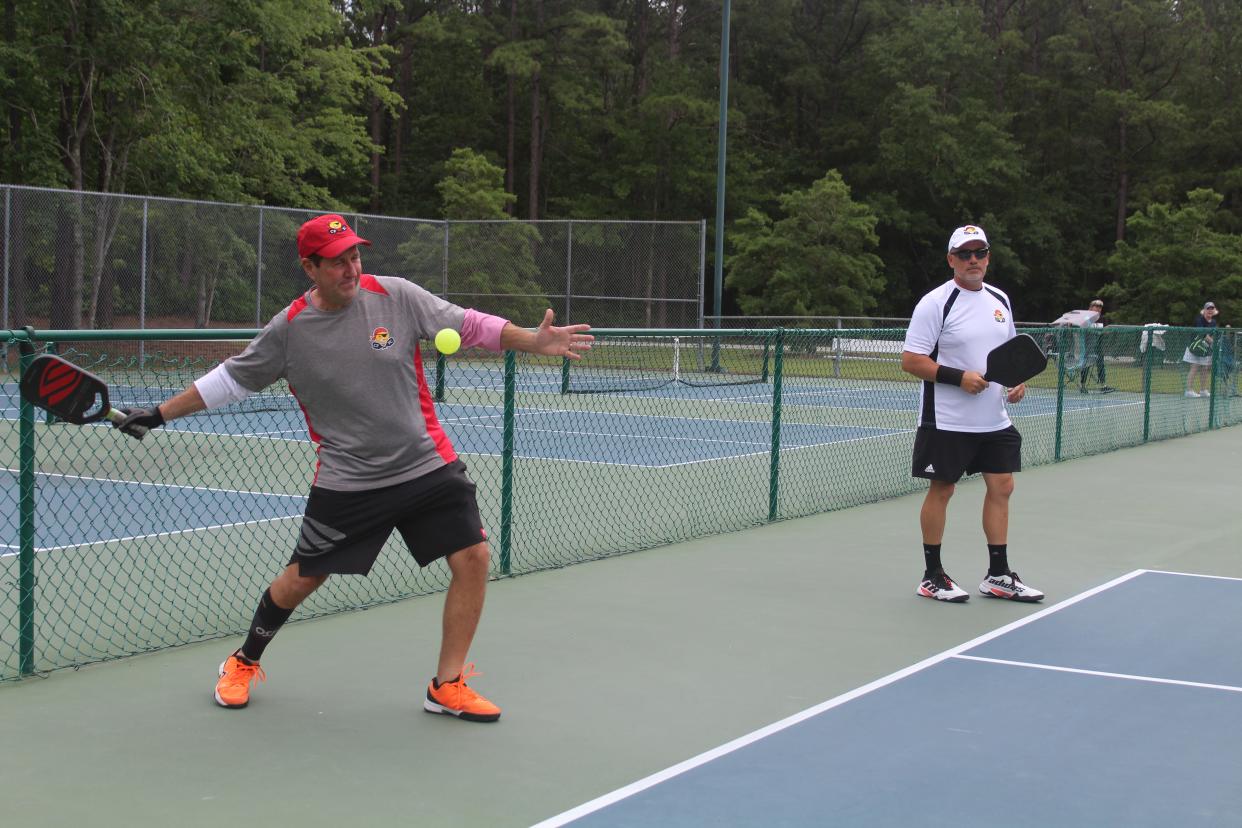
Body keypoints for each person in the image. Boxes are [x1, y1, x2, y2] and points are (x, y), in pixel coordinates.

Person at [112, 214, 593, 720]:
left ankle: (446, 684)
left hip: (425, 464)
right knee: (302, 579)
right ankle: (244, 660)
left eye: (354, 256)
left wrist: (532, 340)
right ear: (310, 267)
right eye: (337, 261)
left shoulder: (396, 295)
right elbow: (231, 380)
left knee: (473, 557)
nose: (350, 267)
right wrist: (160, 413)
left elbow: (469, 324)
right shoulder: (289, 330)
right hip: (351, 479)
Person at [900, 225, 1044, 604]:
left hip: (993, 419)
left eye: (980, 252)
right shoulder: (935, 303)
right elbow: (911, 361)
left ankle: (998, 575)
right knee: (942, 489)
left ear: (988, 258)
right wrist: (958, 378)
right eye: (965, 254)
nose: (974, 260)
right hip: (947, 419)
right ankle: (932, 576)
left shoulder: (1000, 299)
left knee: (1003, 486)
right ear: (952, 260)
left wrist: (1017, 383)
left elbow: (1011, 352)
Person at [1182, 301, 1218, 397]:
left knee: (1205, 368)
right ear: (1204, 310)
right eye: (1208, 309)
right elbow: (1203, 334)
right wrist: (1213, 343)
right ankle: (1188, 390)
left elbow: (1212, 334)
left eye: (1212, 309)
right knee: (1194, 366)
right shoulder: (1199, 320)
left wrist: (1212, 345)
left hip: (1205, 348)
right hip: (1194, 347)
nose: (1210, 311)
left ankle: (1203, 390)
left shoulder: (1214, 322)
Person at [1078, 299, 1114, 393]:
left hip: (1098, 347)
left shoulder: (1103, 318)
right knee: (1086, 365)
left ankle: (1103, 385)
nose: (1098, 308)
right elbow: (1079, 327)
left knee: (1101, 365)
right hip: (1086, 347)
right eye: (1096, 306)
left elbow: (1107, 331)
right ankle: (1083, 385)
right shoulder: (1085, 318)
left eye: (1100, 307)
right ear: (1090, 307)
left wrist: (1102, 331)